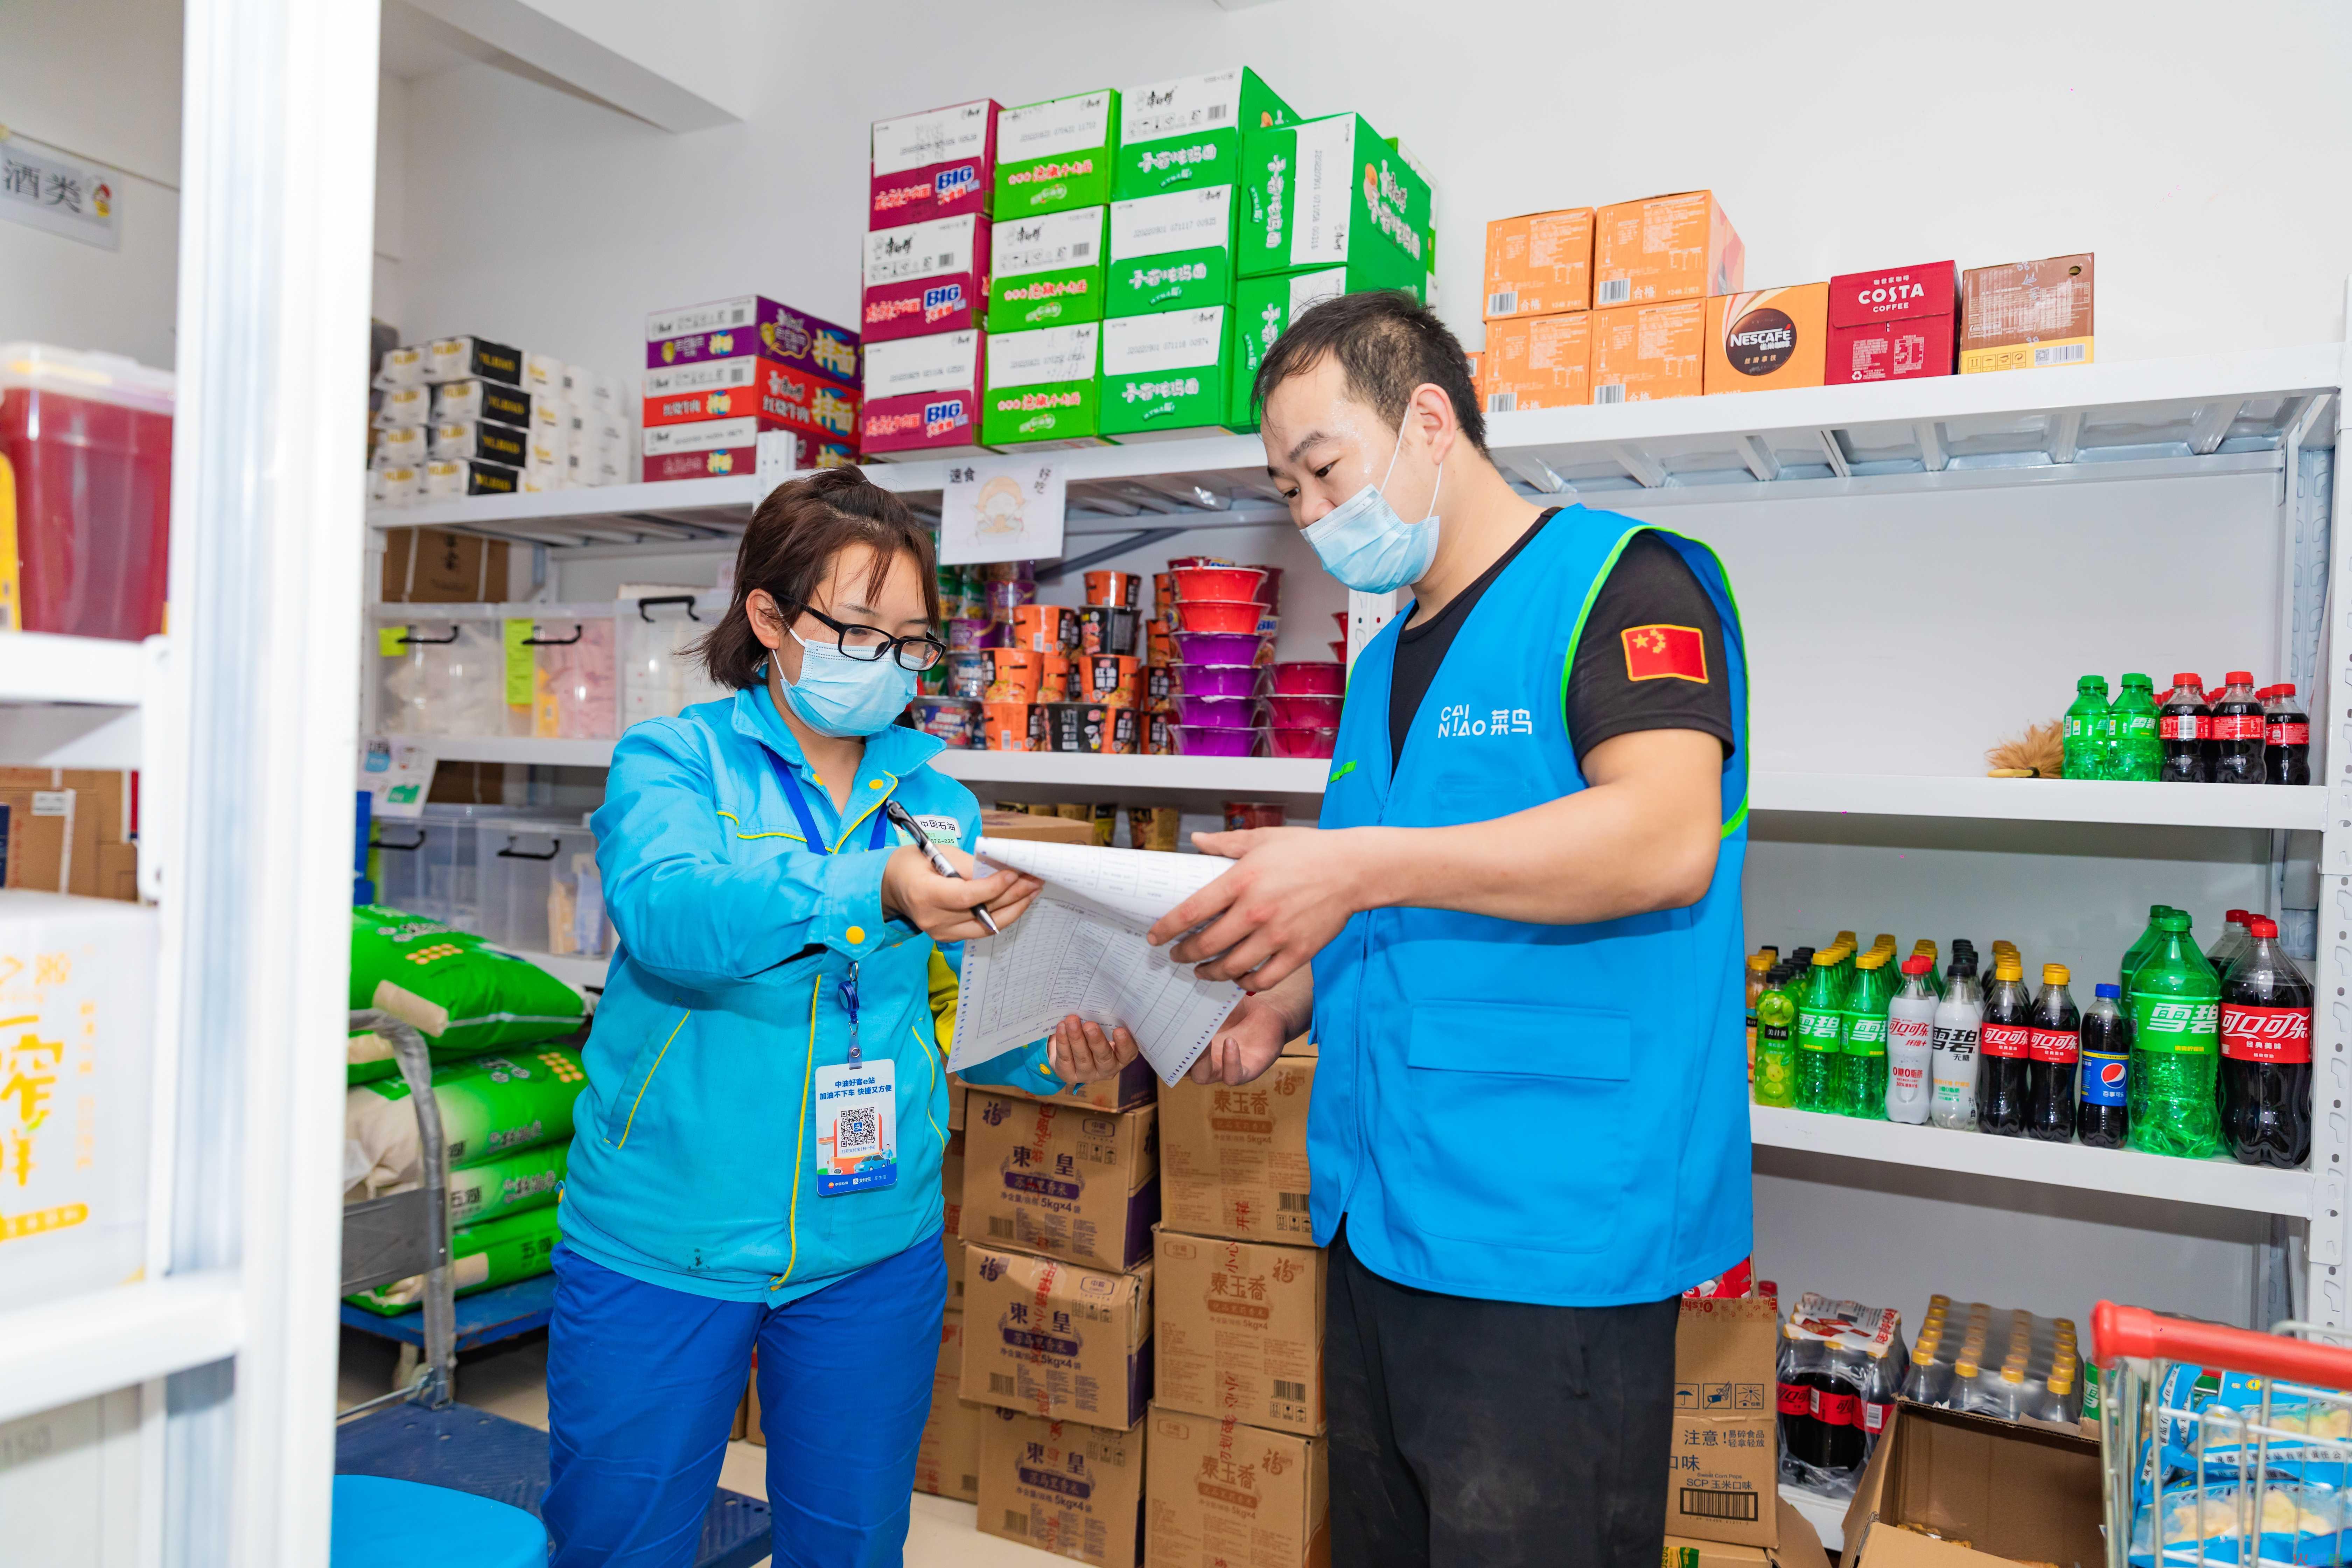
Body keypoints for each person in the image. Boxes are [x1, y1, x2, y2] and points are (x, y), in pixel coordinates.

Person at [1147, 292, 1750, 1568]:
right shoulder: (1383, 666)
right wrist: (1279, 1000)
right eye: (1286, 490)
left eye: (1322, 471)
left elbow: (1666, 837)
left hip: (1548, 1235)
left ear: (1429, 420)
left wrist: (1357, 867)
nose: (1310, 517)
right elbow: (1390, 908)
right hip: (1380, 1217)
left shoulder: (1623, 581)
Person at [543, 467, 1138, 1568]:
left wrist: (1051, 1050)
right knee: (620, 1543)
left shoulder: (938, 803)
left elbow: (947, 1014)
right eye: (859, 631)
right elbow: (671, 914)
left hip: (874, 1244)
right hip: (662, 1239)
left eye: (911, 642)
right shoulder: (672, 763)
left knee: (852, 1545)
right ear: (769, 618)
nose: (890, 665)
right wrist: (871, 890)